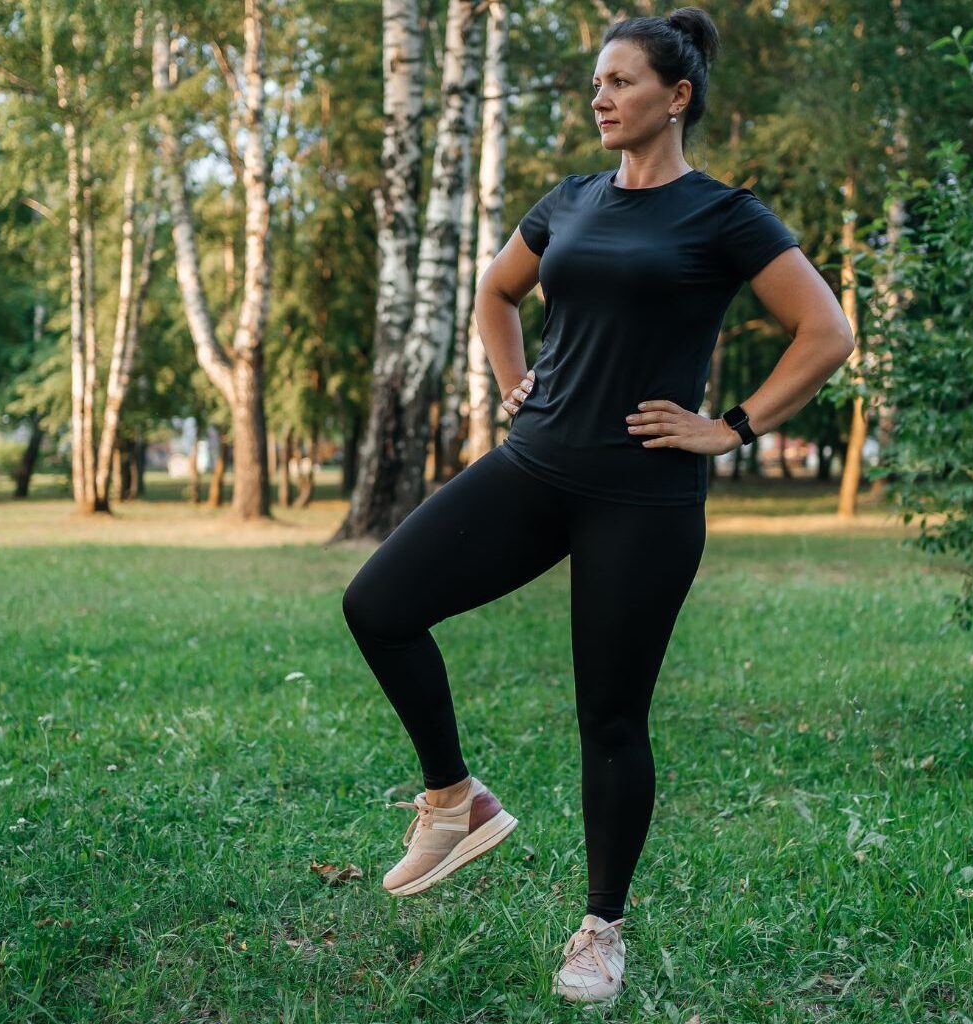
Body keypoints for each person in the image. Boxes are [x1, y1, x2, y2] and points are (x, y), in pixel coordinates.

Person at [341, 5, 855, 1005]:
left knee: (610, 719)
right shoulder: (570, 199)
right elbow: (496, 293)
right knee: (380, 604)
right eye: (597, 82)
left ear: (678, 96)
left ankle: (600, 927)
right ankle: (454, 799)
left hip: (644, 498)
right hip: (534, 470)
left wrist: (732, 426)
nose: (602, 96)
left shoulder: (723, 214)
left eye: (622, 81)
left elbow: (825, 331)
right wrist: (510, 377)